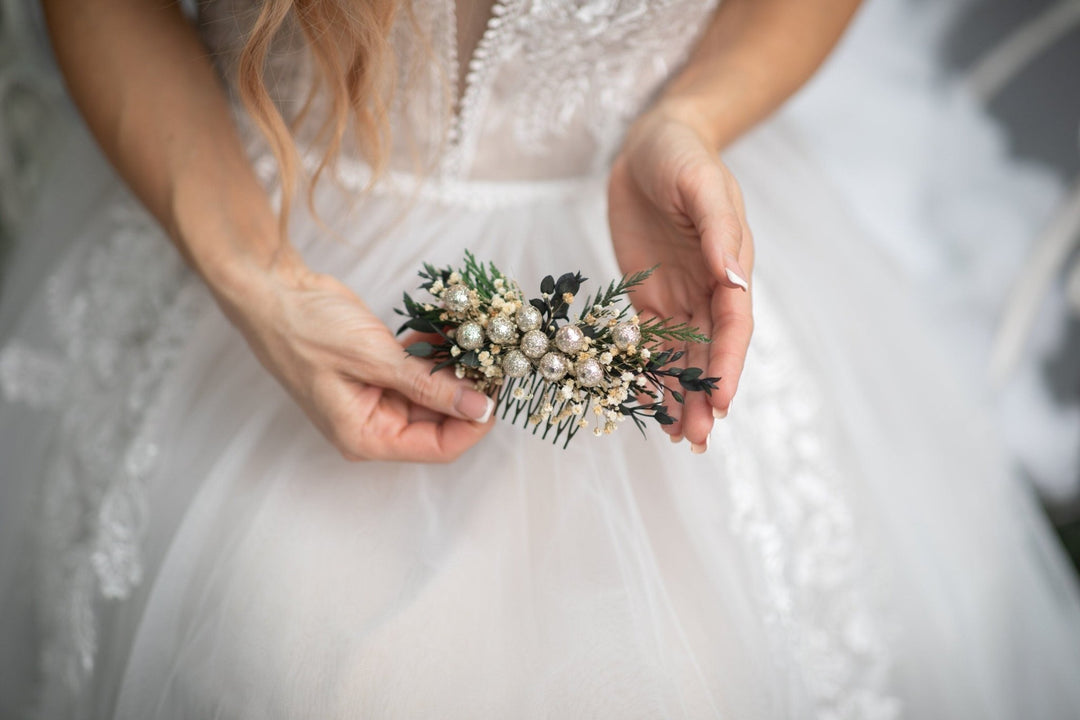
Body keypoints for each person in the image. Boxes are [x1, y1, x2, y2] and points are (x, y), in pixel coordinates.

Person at [2, 0, 1079, 717]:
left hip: (646, 242)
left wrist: (692, 116)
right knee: (290, 658)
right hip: (257, 234)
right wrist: (257, 280)